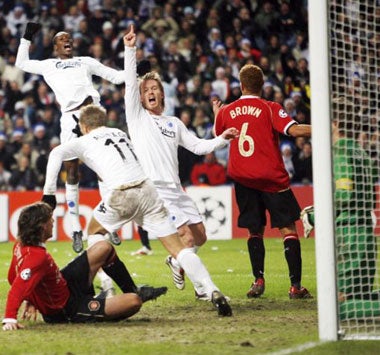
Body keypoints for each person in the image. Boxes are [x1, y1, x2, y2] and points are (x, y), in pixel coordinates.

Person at [42, 104, 232, 317]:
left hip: (122, 193)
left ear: (84, 127)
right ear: (103, 121)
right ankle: (212, 289)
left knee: (94, 234)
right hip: (149, 190)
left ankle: (97, 286)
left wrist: (48, 193)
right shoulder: (120, 133)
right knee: (179, 249)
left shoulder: (83, 140)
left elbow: (56, 153)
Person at [123, 25, 238, 297]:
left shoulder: (174, 123)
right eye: (146, 89)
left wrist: (222, 138)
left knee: (199, 236)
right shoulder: (137, 118)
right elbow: (130, 83)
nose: (150, 91)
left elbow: (198, 146)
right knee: (183, 234)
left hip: (177, 189)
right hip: (156, 190)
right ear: (141, 97)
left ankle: (176, 262)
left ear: (162, 94)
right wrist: (130, 50)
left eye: (155, 88)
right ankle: (204, 289)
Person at [15, 22, 125, 253]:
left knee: (105, 168)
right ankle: (75, 228)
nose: (69, 41)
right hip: (70, 119)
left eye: (70, 39)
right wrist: (27, 37)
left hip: (94, 115)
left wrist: (136, 66)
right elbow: (21, 63)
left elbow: (116, 77)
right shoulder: (49, 65)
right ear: (55, 45)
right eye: (63, 38)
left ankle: (110, 224)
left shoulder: (85, 61)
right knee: (72, 171)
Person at [214, 63, 312, 299]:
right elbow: (294, 130)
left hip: (244, 179)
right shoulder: (270, 108)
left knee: (254, 231)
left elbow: (218, 134)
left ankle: (258, 280)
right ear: (262, 85)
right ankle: (295, 287)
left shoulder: (228, 110)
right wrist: (324, 128)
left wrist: (217, 112)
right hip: (272, 179)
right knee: (288, 229)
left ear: (241, 85)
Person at [2, 202, 143, 330]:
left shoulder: (20, 245)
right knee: (133, 301)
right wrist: (10, 318)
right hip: (65, 308)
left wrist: (32, 298)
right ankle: (96, 308)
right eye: (50, 219)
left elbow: (12, 276)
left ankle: (131, 288)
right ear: (42, 226)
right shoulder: (36, 257)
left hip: (66, 284)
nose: (53, 221)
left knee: (104, 247)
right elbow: (18, 286)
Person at [301, 98, 379, 319]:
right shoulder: (361, 153)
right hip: (365, 235)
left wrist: (316, 215)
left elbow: (344, 194)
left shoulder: (341, 151)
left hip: (349, 237)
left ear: (334, 123)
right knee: (361, 296)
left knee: (338, 307)